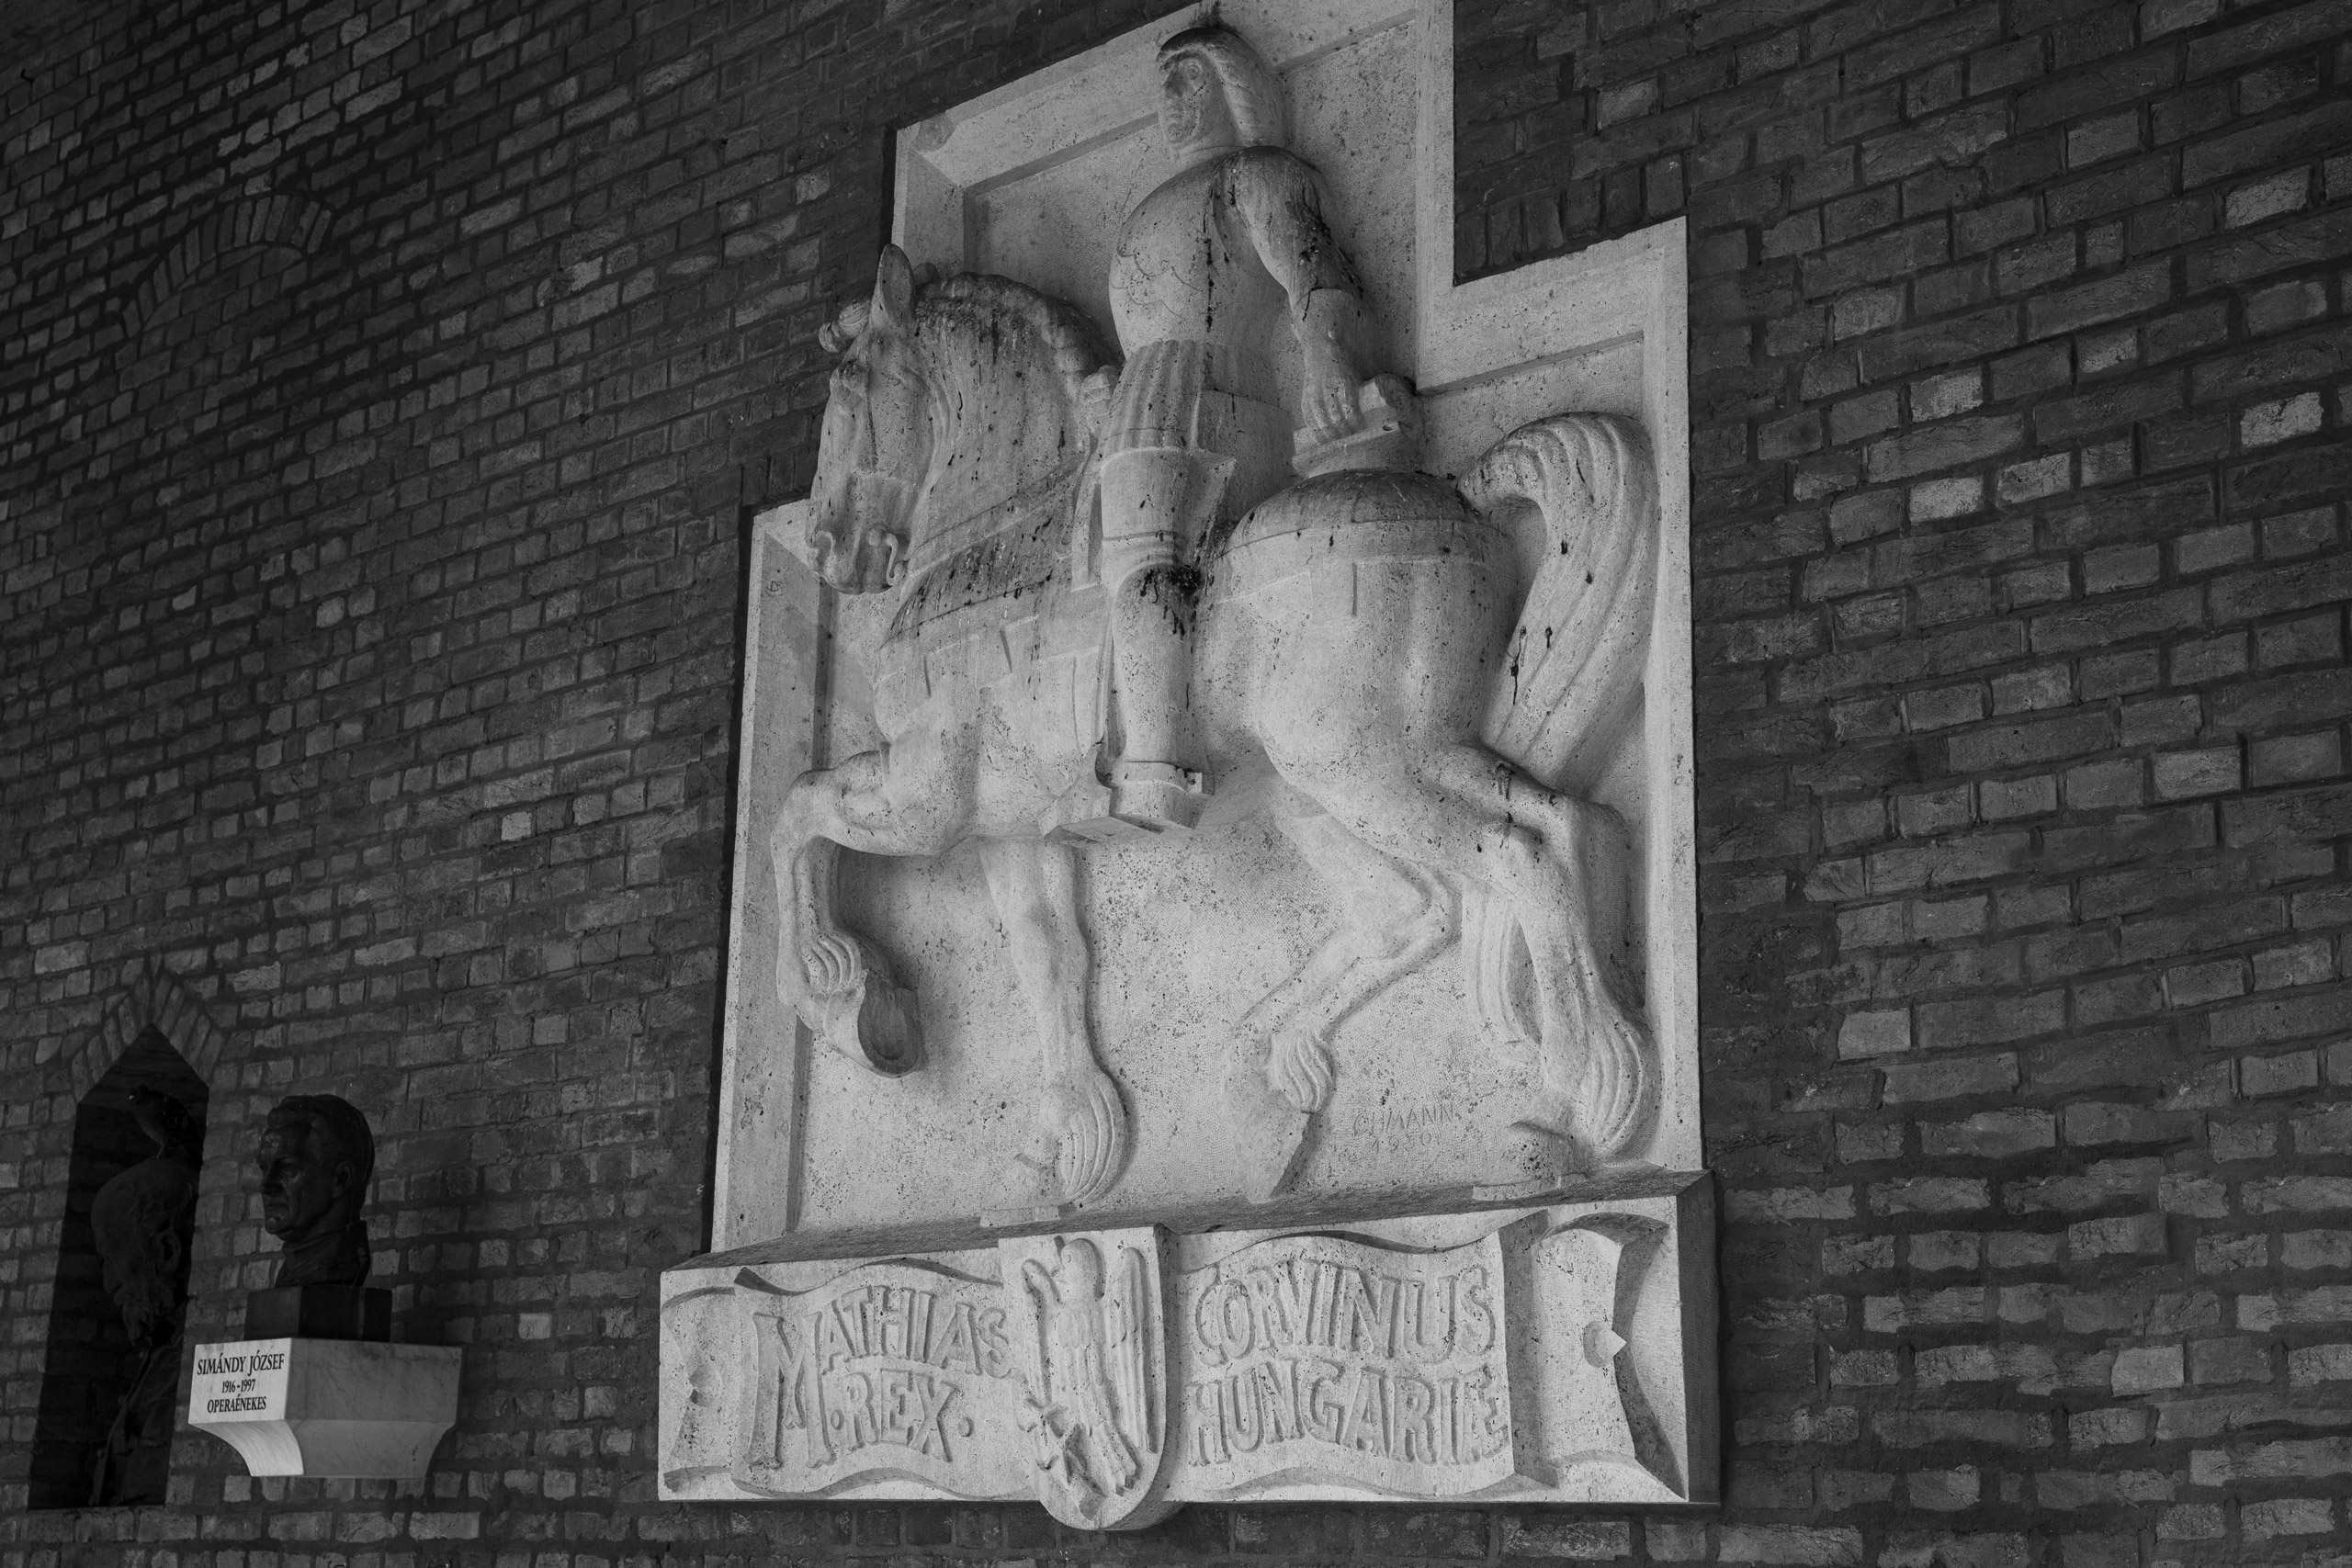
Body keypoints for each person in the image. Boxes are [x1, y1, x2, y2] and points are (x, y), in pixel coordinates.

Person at [1092, 22, 1378, 833]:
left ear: (1233, 86)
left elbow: (1316, 273)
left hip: (1207, 401)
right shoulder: (1153, 207)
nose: (1172, 101)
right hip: (1138, 407)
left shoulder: (1254, 177)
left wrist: (1327, 357)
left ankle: (1158, 767)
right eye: (1166, 87)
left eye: (1190, 81)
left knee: (1149, 573)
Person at [256, 1093, 375, 1288]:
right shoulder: (295, 1272)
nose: (266, 1186)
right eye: (264, 1168)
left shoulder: (339, 1270)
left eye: (287, 1167)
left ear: (341, 1178)